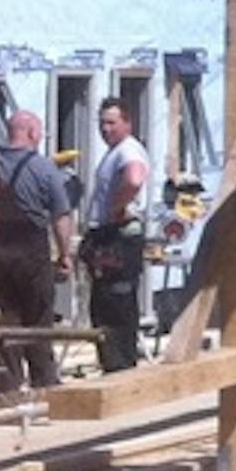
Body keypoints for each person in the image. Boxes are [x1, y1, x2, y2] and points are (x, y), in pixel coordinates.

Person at [0, 108, 75, 397]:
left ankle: (8, 384)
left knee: (6, 316)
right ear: (33, 134)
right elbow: (61, 215)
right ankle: (44, 382)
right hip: (31, 248)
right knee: (38, 314)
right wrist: (65, 254)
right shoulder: (44, 168)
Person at [80, 98, 156, 371]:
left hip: (119, 237)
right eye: (102, 123)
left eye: (112, 123)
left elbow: (134, 179)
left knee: (117, 305)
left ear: (127, 123)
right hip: (108, 235)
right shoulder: (115, 152)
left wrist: (119, 206)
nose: (105, 129)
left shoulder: (128, 150)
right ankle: (112, 364)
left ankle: (121, 366)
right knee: (103, 306)